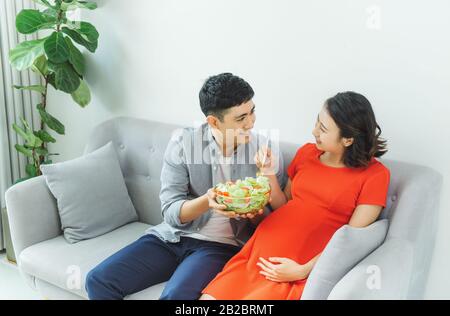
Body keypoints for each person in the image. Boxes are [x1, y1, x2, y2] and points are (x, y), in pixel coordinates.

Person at [85, 73, 286, 300]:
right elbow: (170, 212)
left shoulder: (264, 149)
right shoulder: (184, 143)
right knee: (98, 280)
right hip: (172, 237)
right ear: (213, 121)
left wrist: (252, 209)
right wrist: (208, 201)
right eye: (241, 118)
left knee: (175, 297)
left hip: (219, 246)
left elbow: (275, 219)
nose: (251, 122)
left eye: (252, 112)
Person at [200, 91, 390, 300]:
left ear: (348, 139)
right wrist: (268, 172)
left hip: (294, 270)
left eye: (323, 129)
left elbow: (350, 244)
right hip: (255, 254)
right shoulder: (307, 152)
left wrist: (303, 270)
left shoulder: (375, 175)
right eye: (317, 122)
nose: (314, 131)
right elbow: (284, 205)